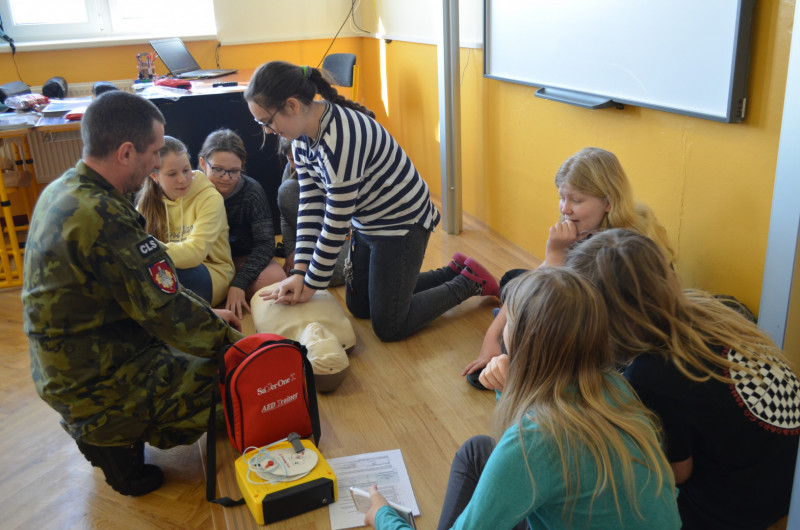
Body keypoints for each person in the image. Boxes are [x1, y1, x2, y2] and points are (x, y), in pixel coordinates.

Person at [21, 91, 244, 498]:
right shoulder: (102, 216)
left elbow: (149, 294)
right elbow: (167, 312)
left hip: (73, 370)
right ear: (126, 152)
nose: (157, 163)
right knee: (235, 384)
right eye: (155, 153)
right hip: (96, 385)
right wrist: (247, 351)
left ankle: (108, 430)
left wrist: (207, 316)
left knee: (203, 350)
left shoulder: (64, 190)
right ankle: (111, 437)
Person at [365, 268, 680, 529]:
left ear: (521, 342)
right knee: (477, 451)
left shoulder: (536, 442)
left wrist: (383, 516)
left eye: (507, 322)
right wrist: (509, 384)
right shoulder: (614, 386)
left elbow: (523, 451)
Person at [244, 61, 498, 342]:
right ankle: (452, 271)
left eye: (266, 122)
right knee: (360, 306)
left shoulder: (339, 140)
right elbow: (310, 203)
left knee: (390, 326)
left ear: (292, 105)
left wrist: (310, 283)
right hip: (367, 222)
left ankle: (468, 282)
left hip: (401, 223)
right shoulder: (301, 137)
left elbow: (335, 224)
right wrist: (299, 271)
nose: (267, 130)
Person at [565, 229, 800, 530]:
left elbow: (678, 473)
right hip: (787, 483)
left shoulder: (652, 374)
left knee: (604, 492)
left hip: (742, 505)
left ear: (610, 317)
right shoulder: (707, 309)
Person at [463, 146, 673, 388]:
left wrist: (555, 257)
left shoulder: (619, 248)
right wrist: (490, 339)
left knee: (525, 293)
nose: (565, 208)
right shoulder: (586, 227)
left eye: (576, 200)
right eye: (562, 197)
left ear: (608, 202)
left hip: (607, 335)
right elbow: (536, 284)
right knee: (514, 279)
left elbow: (575, 312)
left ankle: (523, 361)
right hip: (582, 311)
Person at [136, 135, 235, 306]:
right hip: (164, 267)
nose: (182, 179)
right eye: (172, 174)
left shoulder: (210, 198)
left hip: (211, 273)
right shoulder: (146, 204)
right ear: (154, 176)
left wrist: (147, 252)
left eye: (186, 170)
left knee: (156, 279)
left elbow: (195, 253)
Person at [198, 128, 287, 318]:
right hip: (206, 261)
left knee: (276, 279)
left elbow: (265, 243)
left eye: (234, 171)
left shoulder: (252, 191)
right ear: (203, 163)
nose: (226, 178)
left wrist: (240, 281)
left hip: (241, 259)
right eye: (218, 169)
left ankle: (229, 291)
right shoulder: (191, 187)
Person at [277, 136, 348, 285]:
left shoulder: (331, 164)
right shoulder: (290, 169)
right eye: (291, 159)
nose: (297, 163)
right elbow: (285, 216)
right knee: (286, 190)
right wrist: (293, 252)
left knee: (333, 273)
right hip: (310, 234)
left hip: (340, 232)